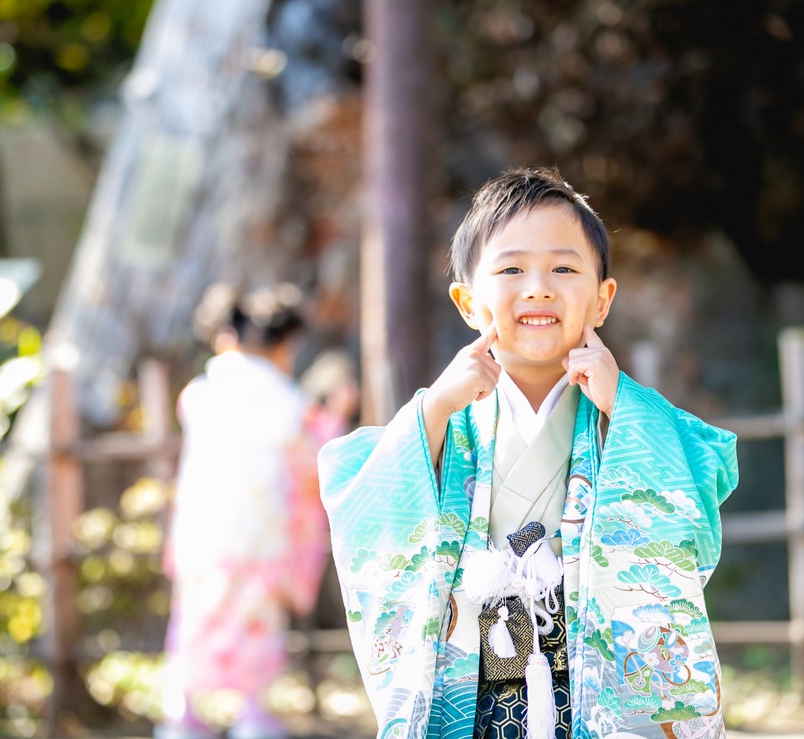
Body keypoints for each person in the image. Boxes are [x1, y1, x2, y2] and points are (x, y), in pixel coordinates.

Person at [319, 167, 738, 739]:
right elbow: (365, 499)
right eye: (511, 269)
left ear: (602, 300)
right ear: (468, 302)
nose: (538, 288)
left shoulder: (629, 415)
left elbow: (699, 476)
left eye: (563, 269)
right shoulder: (443, 416)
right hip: (475, 678)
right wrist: (434, 409)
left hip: (594, 676)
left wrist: (623, 403)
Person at [158, 283, 357, 739]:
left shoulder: (201, 392)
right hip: (260, 537)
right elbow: (317, 455)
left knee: (195, 621)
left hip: (201, 533)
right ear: (282, 345)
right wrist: (337, 414)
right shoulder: (285, 401)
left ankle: (182, 716)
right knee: (255, 624)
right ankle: (251, 715)